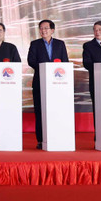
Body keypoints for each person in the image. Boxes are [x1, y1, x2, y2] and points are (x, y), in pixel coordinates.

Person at [27, 19, 69, 150]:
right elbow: (31, 61)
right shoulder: (35, 44)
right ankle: (41, 139)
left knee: (56, 109)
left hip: (57, 83)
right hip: (40, 82)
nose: (43, 30)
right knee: (40, 111)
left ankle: (57, 136)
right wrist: (46, 68)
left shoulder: (60, 44)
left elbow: (65, 62)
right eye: (41, 28)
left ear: (52, 30)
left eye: (46, 28)